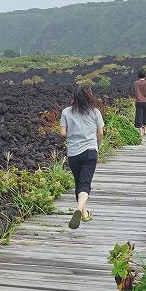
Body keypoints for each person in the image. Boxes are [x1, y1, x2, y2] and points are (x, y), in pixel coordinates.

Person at [59, 85, 104, 229]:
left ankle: (84, 214)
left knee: (78, 182)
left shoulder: (66, 112)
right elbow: (100, 132)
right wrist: (99, 145)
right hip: (90, 151)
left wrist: (74, 132)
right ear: (89, 96)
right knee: (85, 184)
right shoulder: (95, 112)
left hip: (73, 153)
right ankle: (79, 209)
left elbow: (63, 133)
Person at [133, 70, 146, 137]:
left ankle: (141, 131)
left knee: (139, 116)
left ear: (138, 75)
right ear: (145, 75)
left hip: (139, 102)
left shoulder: (136, 83)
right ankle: (145, 130)